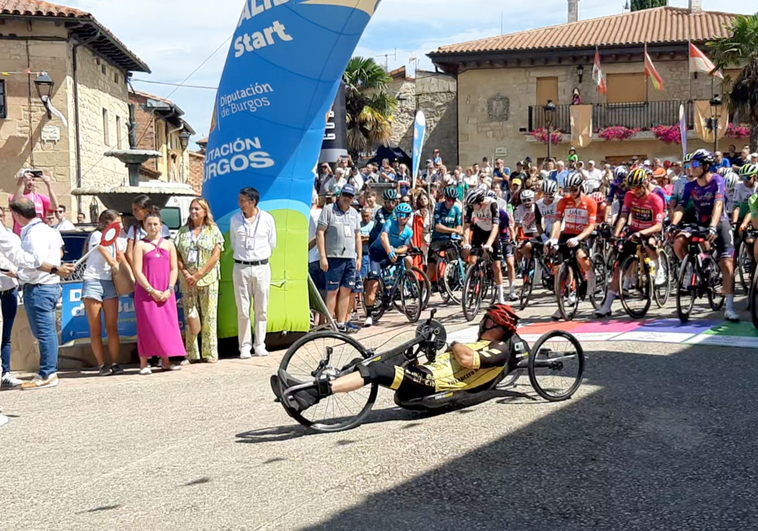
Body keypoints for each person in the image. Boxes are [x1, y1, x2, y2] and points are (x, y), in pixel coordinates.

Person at [272, 304, 529, 413]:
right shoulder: (482, 342)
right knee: (372, 361)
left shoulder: (499, 349)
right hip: (426, 373)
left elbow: (467, 360)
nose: (482, 322)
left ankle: (313, 393)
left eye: (486, 319)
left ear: (494, 324)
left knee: (377, 372)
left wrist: (454, 344)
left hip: (434, 384)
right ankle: (308, 390)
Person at [670, 149, 738, 322]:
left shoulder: (717, 180)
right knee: (679, 240)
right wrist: (673, 224)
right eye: (690, 165)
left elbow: (718, 204)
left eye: (695, 164)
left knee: (727, 263)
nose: (691, 168)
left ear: (706, 166)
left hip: (719, 222)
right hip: (700, 222)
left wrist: (713, 227)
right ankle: (691, 267)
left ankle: (729, 307)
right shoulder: (689, 186)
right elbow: (680, 207)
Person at [10, 198, 65, 389]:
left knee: (44, 332)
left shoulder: (33, 235)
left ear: (16, 215)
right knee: (46, 331)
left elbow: (35, 263)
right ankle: (48, 370)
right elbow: (60, 254)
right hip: (50, 285)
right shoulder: (50, 230)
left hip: (39, 286)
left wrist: (17, 273)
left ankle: (48, 372)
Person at [596, 169, 666, 317]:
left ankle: (658, 265)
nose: (635, 191)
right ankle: (607, 305)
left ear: (645, 183)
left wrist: (643, 233)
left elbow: (659, 226)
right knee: (618, 268)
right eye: (632, 188)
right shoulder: (629, 196)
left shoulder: (656, 199)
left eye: (637, 188)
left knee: (650, 245)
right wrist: (616, 234)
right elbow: (623, 215)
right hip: (633, 230)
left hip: (650, 230)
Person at [133, 211, 185, 373]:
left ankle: (166, 360)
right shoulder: (140, 245)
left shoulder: (169, 245)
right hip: (146, 293)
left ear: (161, 226)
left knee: (166, 326)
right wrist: (150, 289)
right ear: (144, 226)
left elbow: (174, 268)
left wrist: (170, 289)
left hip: (166, 292)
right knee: (147, 326)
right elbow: (137, 270)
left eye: (155, 224)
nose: (152, 227)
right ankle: (144, 362)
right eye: (149, 224)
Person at [175, 198, 225, 363]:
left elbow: (216, 255)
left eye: (197, 209)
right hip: (187, 279)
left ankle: (210, 352)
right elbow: (177, 255)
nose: (194, 212)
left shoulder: (213, 230)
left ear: (205, 212)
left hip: (208, 278)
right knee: (191, 315)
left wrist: (200, 273)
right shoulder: (183, 232)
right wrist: (186, 273)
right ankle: (191, 353)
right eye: (192, 208)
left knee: (209, 314)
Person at [230, 187, 277, 358]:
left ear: (253, 202)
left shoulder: (267, 219)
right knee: (243, 309)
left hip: (262, 267)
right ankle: (244, 346)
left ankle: (260, 344)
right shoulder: (235, 219)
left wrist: (258, 258)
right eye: (240, 200)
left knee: (261, 308)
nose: (240, 204)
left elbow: (272, 243)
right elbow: (234, 242)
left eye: (243, 201)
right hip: (241, 267)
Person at [81, 210, 129, 376]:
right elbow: (103, 249)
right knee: (96, 327)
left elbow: (122, 256)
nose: (120, 225)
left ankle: (115, 363)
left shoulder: (121, 238)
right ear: (108, 223)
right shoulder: (97, 236)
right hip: (93, 280)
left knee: (112, 326)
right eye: (117, 222)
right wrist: (114, 262)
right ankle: (102, 364)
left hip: (109, 281)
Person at [547, 173, 598, 320]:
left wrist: (579, 238)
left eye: (574, 189)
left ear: (581, 187)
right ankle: (560, 305)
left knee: (581, 257)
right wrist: (552, 239)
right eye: (569, 190)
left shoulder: (590, 202)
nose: (571, 193)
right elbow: (557, 221)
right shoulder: (564, 201)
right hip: (567, 234)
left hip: (581, 234)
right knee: (557, 269)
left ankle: (591, 277)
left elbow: (591, 225)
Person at [317, 184, 362, 334]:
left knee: (346, 290)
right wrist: (323, 256)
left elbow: (357, 236)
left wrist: (359, 257)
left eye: (350, 196)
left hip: (350, 257)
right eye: (345, 195)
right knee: (332, 290)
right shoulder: (328, 210)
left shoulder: (354, 213)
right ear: (340, 195)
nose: (346, 198)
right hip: (333, 257)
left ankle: (341, 322)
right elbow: (320, 233)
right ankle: (330, 323)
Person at [364, 203, 414, 327]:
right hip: (377, 254)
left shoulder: (409, 231)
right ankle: (369, 314)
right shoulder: (390, 223)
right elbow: (384, 236)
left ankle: (402, 284)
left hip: (392, 254)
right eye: (399, 215)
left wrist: (395, 251)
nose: (401, 218)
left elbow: (405, 247)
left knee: (408, 259)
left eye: (404, 216)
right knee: (373, 283)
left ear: (408, 217)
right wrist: (389, 250)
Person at [463, 187, 509, 305]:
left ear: (480, 202)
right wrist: (466, 242)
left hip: (492, 232)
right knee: (472, 259)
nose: (472, 208)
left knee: (496, 266)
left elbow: (495, 227)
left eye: (474, 205)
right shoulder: (470, 205)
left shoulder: (493, 204)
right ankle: (472, 281)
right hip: (480, 229)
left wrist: (489, 244)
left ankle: (500, 295)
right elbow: (467, 226)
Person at [0, 224, 20, 389]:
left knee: (7, 335)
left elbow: (19, 259)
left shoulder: (11, 238)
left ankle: (6, 372)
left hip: (8, 290)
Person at [10, 169, 60, 236]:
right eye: (28, 180)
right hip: (21, 234)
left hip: (39, 233)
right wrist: (23, 184)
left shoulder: (40, 198)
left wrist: (49, 185)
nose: (31, 182)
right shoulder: (13, 197)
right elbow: (15, 204)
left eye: (33, 180)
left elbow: (55, 206)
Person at [126, 195, 171, 267]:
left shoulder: (162, 228)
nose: (133, 213)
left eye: (136, 210)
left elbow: (167, 250)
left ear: (145, 210)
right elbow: (129, 253)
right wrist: (136, 269)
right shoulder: (134, 229)